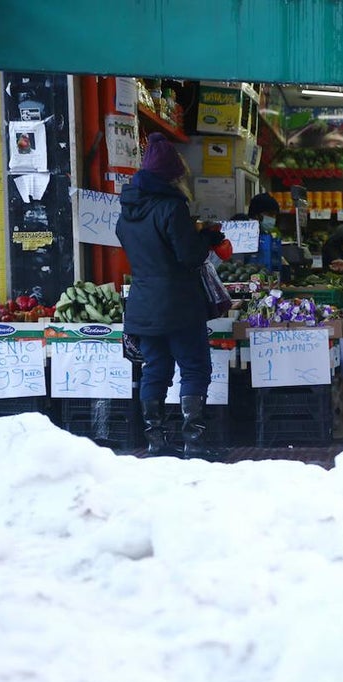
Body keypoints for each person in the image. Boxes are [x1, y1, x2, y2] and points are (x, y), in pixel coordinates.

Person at [116, 133, 225, 461]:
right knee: (194, 368)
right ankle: (193, 442)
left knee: (155, 369)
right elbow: (189, 256)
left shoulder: (126, 212)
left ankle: (156, 442)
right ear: (169, 174)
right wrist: (206, 236)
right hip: (177, 303)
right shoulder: (171, 206)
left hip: (143, 303)